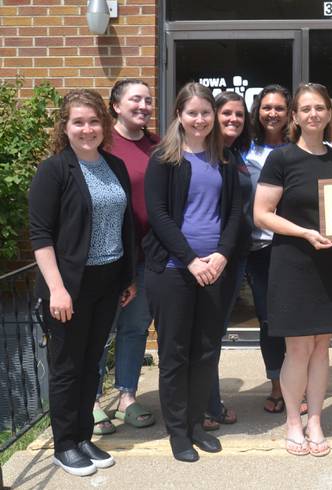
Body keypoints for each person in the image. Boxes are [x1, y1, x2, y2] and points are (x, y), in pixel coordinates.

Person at [29, 89, 136, 476]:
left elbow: (125, 226)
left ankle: (84, 435)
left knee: (92, 364)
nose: (87, 129)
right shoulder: (55, 170)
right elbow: (40, 235)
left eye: (93, 121)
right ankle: (65, 444)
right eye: (78, 122)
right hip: (70, 285)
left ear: (104, 125)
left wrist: (128, 277)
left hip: (109, 280)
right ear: (65, 126)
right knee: (67, 366)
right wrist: (56, 288)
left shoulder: (114, 165)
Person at [253, 82, 332, 457]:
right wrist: (305, 233)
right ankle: (293, 422)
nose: (313, 114)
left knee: (321, 346)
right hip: (294, 261)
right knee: (298, 348)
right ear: (294, 117)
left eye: (320, 108)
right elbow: (262, 213)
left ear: (329, 114)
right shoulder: (281, 159)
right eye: (306, 109)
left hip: (331, 262)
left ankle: (316, 419)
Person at [143, 82, 241, 462]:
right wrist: (190, 259)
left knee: (206, 351)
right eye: (192, 113)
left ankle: (198, 423)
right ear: (179, 116)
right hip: (173, 269)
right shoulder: (163, 159)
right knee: (175, 352)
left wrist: (221, 256)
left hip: (215, 269)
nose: (200, 120)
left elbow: (234, 213)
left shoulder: (225, 158)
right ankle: (178, 431)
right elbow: (159, 215)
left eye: (206, 112)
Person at [93, 79, 158, 435]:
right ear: (116, 106)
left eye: (148, 100)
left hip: (146, 256)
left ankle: (126, 396)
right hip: (109, 255)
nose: (144, 106)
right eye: (136, 100)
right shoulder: (102, 145)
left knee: (134, 328)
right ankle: (90, 400)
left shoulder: (156, 145)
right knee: (100, 330)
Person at [202, 91, 252, 431]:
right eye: (227, 114)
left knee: (215, 330)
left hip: (234, 256)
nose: (234, 119)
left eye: (239, 114)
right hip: (211, 256)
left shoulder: (234, 155)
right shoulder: (205, 157)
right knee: (205, 333)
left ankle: (210, 400)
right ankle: (205, 406)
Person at [244, 85, 292, 414]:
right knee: (267, 320)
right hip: (258, 248)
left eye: (279, 108)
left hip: (293, 247)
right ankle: (277, 384)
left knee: (295, 321)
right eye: (266, 107)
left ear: (289, 113)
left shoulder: (300, 149)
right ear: (258, 112)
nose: (272, 113)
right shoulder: (243, 151)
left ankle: (297, 385)